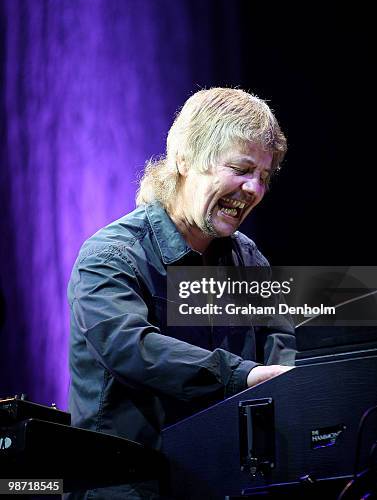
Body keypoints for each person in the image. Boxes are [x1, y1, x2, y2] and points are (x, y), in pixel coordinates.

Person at [67, 87, 296, 499]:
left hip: (223, 486)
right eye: (242, 169)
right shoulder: (111, 254)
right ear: (184, 159)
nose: (254, 189)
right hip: (128, 488)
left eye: (263, 177)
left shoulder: (250, 260)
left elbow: (281, 345)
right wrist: (241, 375)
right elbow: (131, 348)